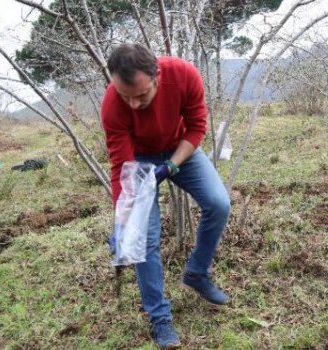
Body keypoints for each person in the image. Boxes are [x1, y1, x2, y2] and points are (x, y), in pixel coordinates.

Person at [101, 43, 231, 349]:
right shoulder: (112, 104)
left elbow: (198, 127)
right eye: (125, 97)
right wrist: (123, 221)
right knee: (145, 239)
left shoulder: (184, 75)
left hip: (179, 149)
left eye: (142, 96)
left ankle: (197, 273)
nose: (133, 105)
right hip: (139, 162)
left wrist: (172, 164)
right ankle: (160, 317)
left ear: (157, 75)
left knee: (218, 203)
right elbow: (121, 164)